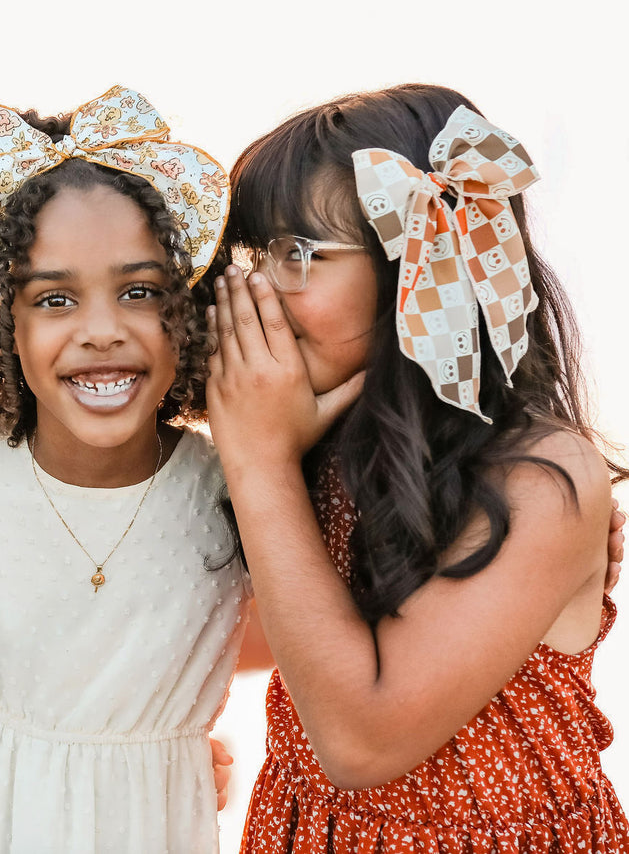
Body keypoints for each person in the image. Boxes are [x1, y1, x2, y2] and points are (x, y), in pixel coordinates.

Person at [208, 83, 628, 850]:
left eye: (294, 254)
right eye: (248, 254)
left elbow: (361, 741)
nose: (253, 286)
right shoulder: (321, 443)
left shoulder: (538, 476)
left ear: (419, 269)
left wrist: (259, 464)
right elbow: (272, 634)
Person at [0, 86, 248, 852]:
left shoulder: (227, 485)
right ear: (2, 323)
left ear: (187, 307)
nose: (100, 330)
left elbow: (257, 631)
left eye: (139, 292)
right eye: (54, 298)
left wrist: (152, 738)